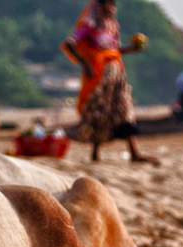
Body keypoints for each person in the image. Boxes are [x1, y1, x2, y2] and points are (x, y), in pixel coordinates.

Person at [61, 0, 155, 163]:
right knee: (99, 112)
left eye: (113, 5)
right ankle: (95, 152)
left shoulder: (112, 26)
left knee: (124, 109)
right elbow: (69, 44)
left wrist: (132, 49)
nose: (112, 8)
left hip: (116, 75)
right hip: (98, 76)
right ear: (100, 6)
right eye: (109, 4)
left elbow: (114, 50)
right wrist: (86, 63)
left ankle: (134, 152)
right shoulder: (89, 26)